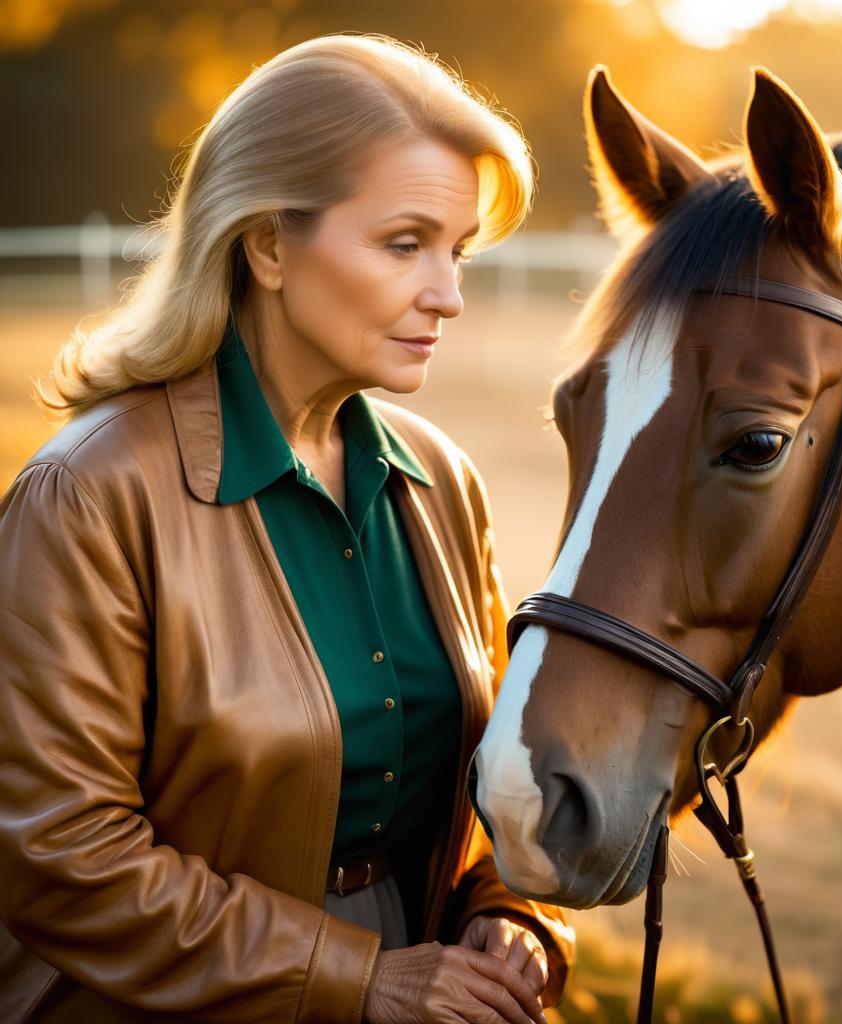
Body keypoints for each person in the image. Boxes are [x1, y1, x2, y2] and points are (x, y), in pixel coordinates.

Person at [0, 32, 573, 1024]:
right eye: (405, 243)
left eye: (458, 250)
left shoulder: (440, 479)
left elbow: (471, 776)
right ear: (265, 243)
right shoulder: (86, 496)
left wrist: (505, 909)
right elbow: (56, 852)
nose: (448, 293)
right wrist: (358, 978)